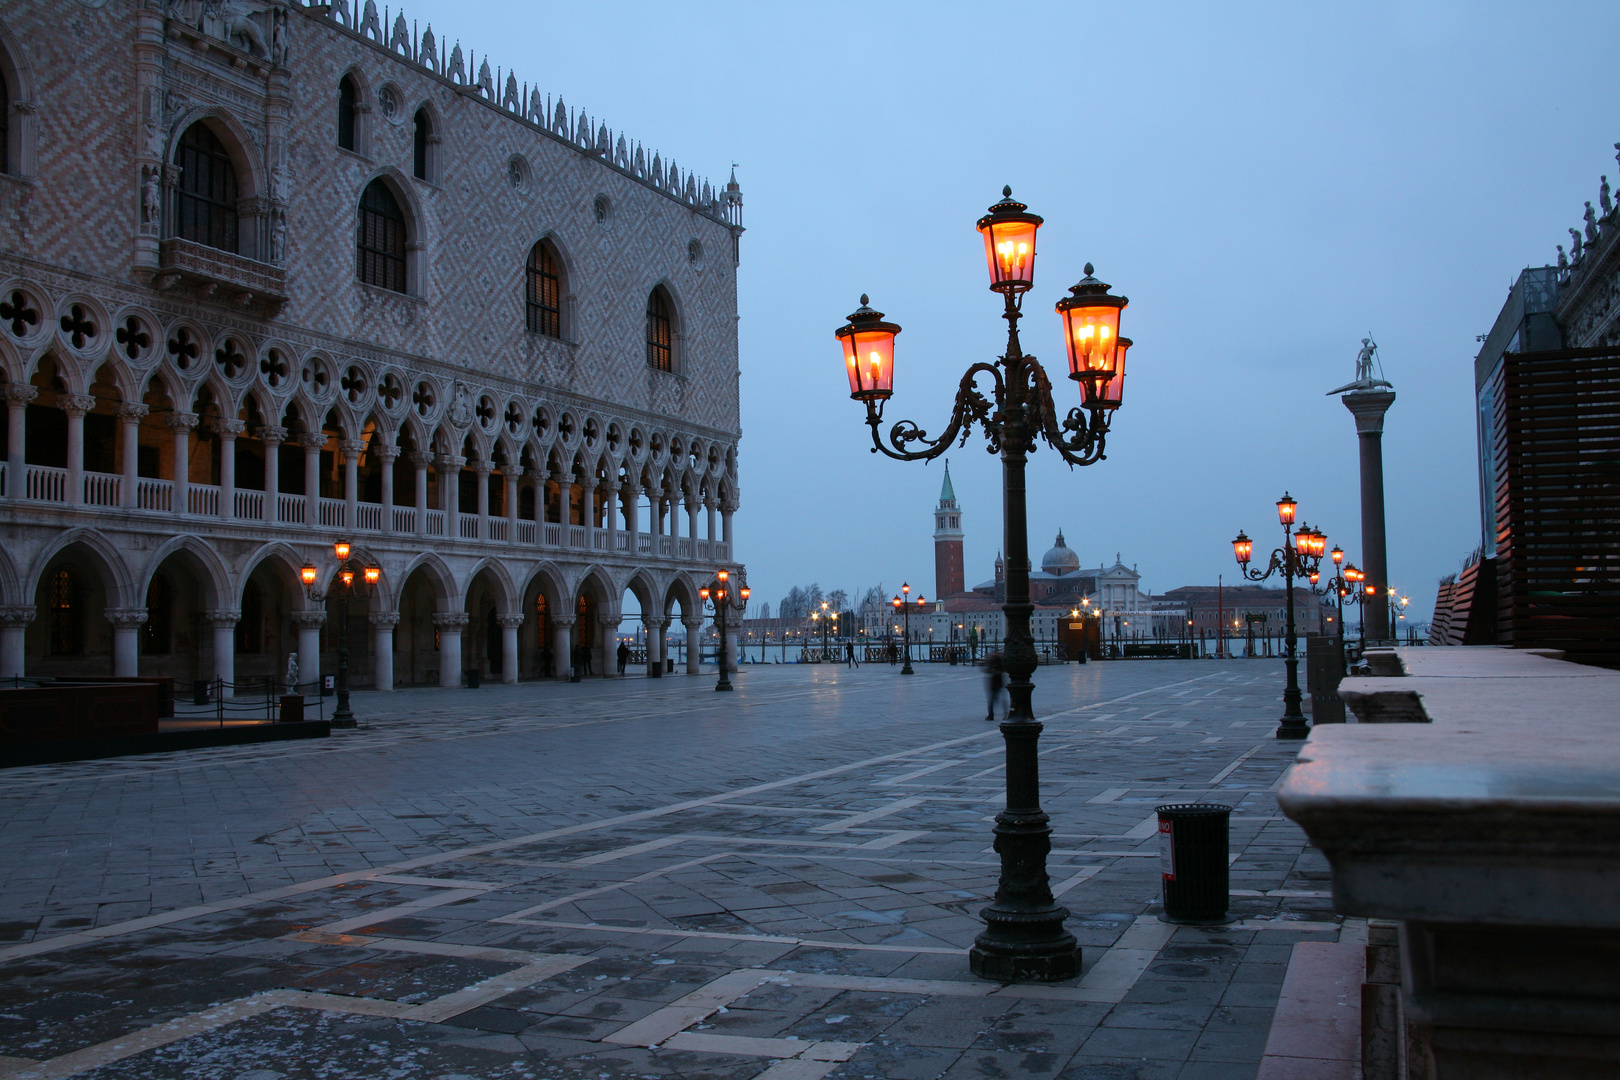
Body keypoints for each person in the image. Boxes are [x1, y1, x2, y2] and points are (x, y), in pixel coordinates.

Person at [984, 651, 1006, 723]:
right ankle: (1005, 714)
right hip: (999, 683)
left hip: (994, 683)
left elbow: (988, 670)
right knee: (999, 700)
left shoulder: (993, 663)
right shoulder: (1000, 663)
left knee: (992, 700)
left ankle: (991, 715)